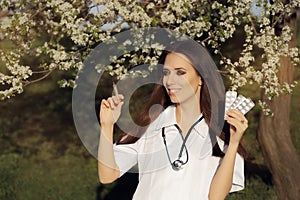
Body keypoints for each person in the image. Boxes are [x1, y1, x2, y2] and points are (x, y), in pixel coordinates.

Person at [98, 40, 248, 200]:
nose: (169, 81)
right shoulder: (149, 124)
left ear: (201, 78)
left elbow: (216, 196)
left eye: (180, 72)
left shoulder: (222, 129)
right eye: (166, 73)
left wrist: (233, 144)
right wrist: (107, 125)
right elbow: (107, 175)